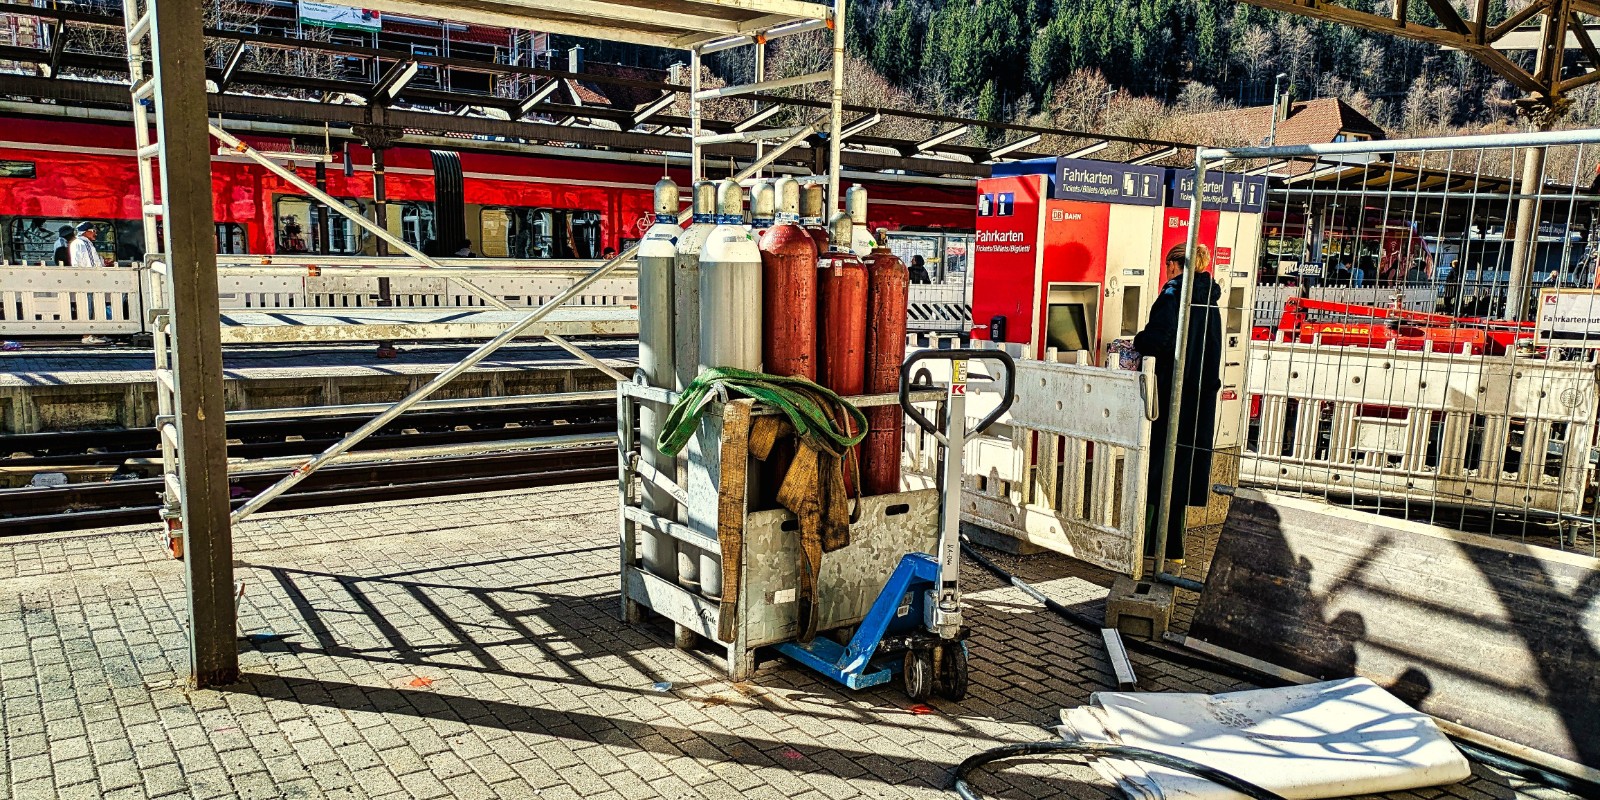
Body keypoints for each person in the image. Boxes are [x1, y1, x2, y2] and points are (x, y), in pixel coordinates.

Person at [1133, 242, 1223, 565]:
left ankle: (1145, 546)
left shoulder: (1173, 295)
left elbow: (1157, 340)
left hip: (1171, 395)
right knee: (1181, 470)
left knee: (1156, 466)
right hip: (1198, 399)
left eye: (1167, 265)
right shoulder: (1210, 300)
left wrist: (1136, 341)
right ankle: (1174, 550)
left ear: (1174, 264)